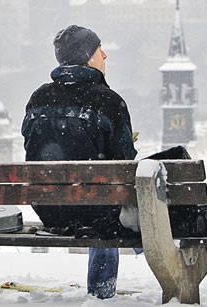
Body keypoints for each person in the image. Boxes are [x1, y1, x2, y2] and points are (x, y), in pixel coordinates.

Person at [22, 24, 137, 299]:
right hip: (95, 212)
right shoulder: (109, 101)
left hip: (50, 208)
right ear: (87, 56)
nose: (105, 55)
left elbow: (32, 147)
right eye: (99, 50)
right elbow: (126, 165)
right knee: (109, 200)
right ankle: (101, 291)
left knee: (102, 196)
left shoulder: (38, 98)